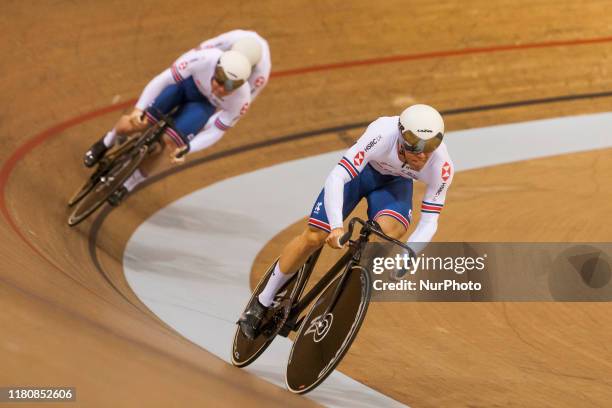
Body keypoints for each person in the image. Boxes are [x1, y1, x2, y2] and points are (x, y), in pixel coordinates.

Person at [239, 104, 454, 339]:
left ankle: (348, 278)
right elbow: (338, 176)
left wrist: (407, 256)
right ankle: (261, 302)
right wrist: (335, 226)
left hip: (394, 185)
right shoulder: (382, 133)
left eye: (430, 146)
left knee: (389, 232)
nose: (423, 155)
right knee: (314, 236)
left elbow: (430, 221)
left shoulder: (441, 166)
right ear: (401, 138)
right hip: (361, 174)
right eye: (416, 147)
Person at [82, 30, 270, 205]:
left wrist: (189, 146)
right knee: (136, 123)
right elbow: (164, 79)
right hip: (187, 84)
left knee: (168, 143)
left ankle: (129, 183)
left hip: (205, 106)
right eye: (219, 81)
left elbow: (218, 128)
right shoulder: (207, 56)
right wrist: (139, 109)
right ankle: (106, 142)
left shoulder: (245, 94)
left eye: (228, 87)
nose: (220, 89)